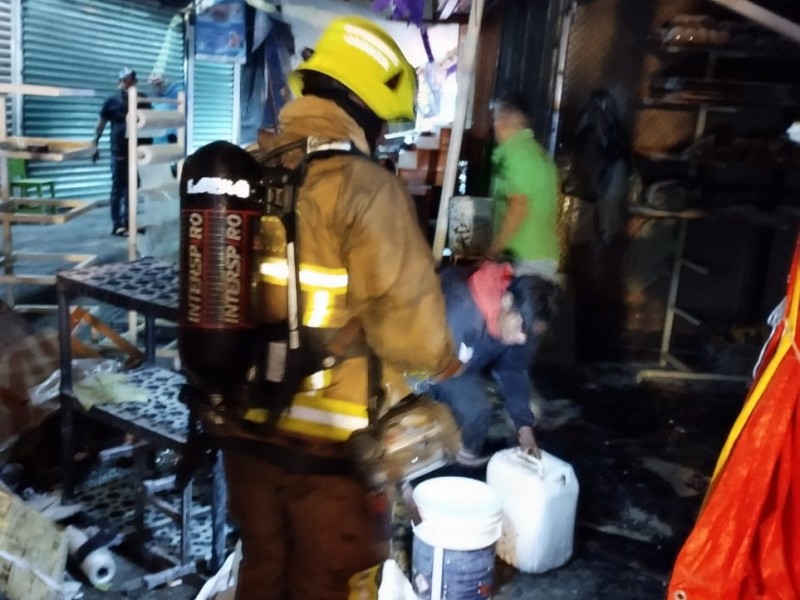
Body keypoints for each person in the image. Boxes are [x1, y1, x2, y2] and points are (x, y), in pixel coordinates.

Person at [203, 16, 461, 600]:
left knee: (263, 569)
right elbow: (413, 337)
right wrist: (445, 360)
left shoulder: (240, 170)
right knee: (330, 583)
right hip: (330, 448)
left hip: (242, 431)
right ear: (365, 108)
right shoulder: (365, 187)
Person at [428, 260, 560, 466]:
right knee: (452, 415)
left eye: (529, 334)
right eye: (520, 329)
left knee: (483, 411)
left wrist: (525, 431)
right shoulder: (460, 312)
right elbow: (424, 370)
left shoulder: (525, 324)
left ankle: (460, 464)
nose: (522, 339)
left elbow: (514, 371)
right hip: (428, 357)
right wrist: (447, 432)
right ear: (507, 301)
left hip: (460, 362)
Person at [489, 94, 561, 282]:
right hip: (542, 254)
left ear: (502, 120)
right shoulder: (538, 154)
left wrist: (493, 251)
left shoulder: (515, 154)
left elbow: (518, 207)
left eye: (495, 119)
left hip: (522, 258)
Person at [92, 67, 144, 236]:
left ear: (135, 82)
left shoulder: (142, 99)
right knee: (119, 188)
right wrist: (95, 144)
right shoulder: (111, 101)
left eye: (129, 80)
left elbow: (149, 121)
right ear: (118, 82)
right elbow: (101, 123)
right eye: (124, 80)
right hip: (119, 149)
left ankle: (130, 223)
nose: (126, 84)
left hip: (137, 150)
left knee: (133, 188)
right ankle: (117, 224)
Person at [147, 72, 184, 144]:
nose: (156, 84)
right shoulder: (153, 96)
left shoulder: (175, 91)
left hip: (172, 134)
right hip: (158, 135)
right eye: (153, 83)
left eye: (158, 82)